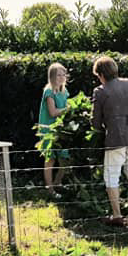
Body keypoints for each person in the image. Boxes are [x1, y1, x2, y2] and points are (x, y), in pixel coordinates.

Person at [91, 55, 128, 223]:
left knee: (111, 174)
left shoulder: (100, 91)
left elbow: (95, 122)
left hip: (117, 137)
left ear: (101, 74)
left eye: (98, 76)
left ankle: (116, 215)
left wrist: (102, 126)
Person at [37, 62, 70, 198]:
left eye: (64, 75)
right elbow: (53, 112)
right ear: (52, 77)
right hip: (48, 130)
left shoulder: (64, 91)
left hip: (60, 129)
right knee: (50, 159)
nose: (62, 77)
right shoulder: (49, 92)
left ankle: (57, 182)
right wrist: (68, 109)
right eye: (58, 75)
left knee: (65, 159)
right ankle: (50, 190)